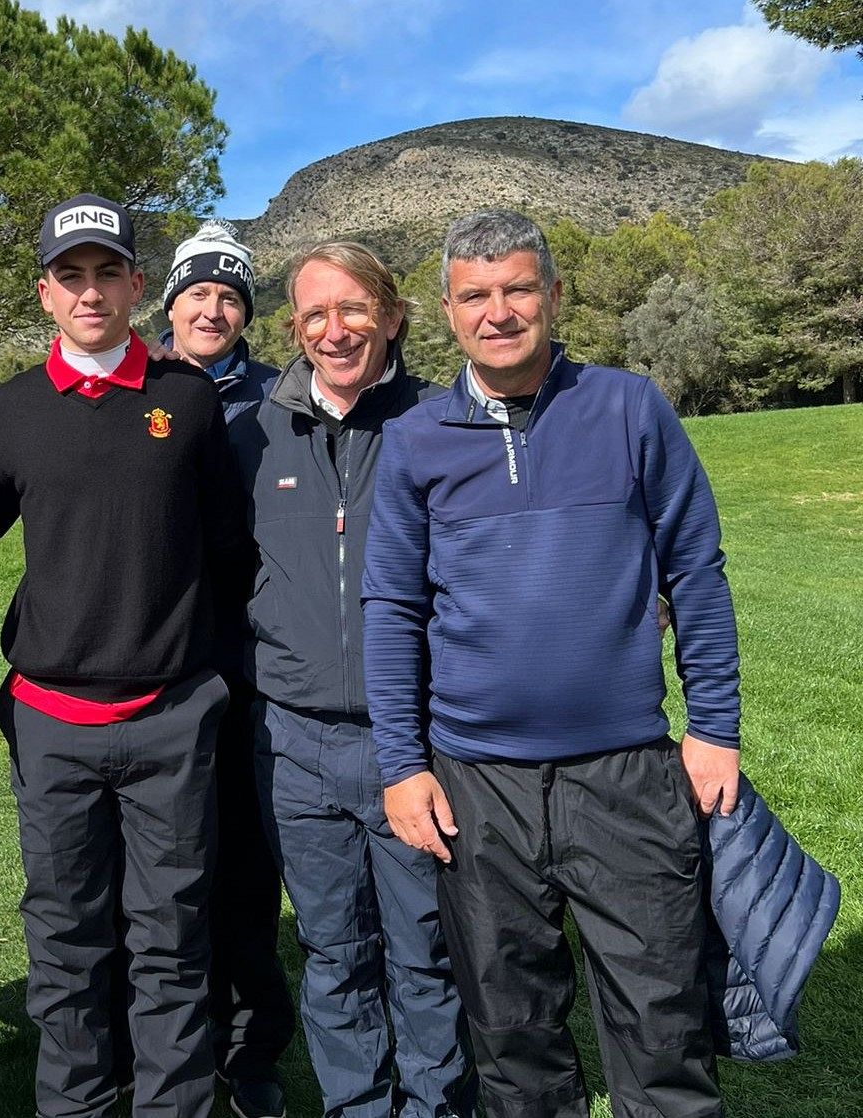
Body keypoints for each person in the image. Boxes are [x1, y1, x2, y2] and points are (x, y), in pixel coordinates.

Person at [363, 208, 741, 1118]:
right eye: (476, 295)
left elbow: (695, 568)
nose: (499, 311)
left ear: (554, 296)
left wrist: (716, 728)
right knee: (512, 1033)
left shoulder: (628, 406)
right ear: (448, 312)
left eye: (519, 288)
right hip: (476, 780)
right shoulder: (414, 439)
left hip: (626, 771)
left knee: (662, 1023)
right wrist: (403, 766)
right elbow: (393, 609)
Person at [0, 193, 250, 1118]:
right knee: (66, 942)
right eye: (71, 275)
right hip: (52, 721)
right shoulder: (7, 410)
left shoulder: (188, 400)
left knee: (173, 939)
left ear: (138, 285)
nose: (89, 291)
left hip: (173, 716)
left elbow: (229, 547)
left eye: (107, 272)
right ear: (46, 293)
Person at [227, 241, 473, 1118]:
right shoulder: (251, 434)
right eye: (314, 315)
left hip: (412, 742)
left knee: (424, 951)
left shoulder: (441, 425)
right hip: (292, 742)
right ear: (294, 328)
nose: (335, 331)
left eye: (353, 310)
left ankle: (436, 1106)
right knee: (334, 953)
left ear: (393, 316)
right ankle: (357, 1107)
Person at [157, 221, 294, 1118]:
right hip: (154, 669)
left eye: (231, 295)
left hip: (249, 668)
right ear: (170, 300)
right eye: (199, 291)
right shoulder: (134, 386)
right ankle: (164, 1043)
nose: (214, 307)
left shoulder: (280, 399)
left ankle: (249, 1056)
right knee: (163, 876)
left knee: (246, 871)